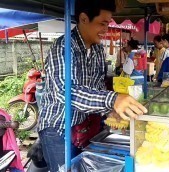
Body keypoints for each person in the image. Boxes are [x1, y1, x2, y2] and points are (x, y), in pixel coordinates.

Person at [38, 1, 147, 171]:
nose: (106, 30)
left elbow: (97, 86)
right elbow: (66, 91)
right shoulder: (64, 47)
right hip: (58, 128)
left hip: (83, 126)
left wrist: (111, 111)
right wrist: (113, 100)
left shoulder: (97, 49)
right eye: (102, 24)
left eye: (107, 24)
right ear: (83, 19)